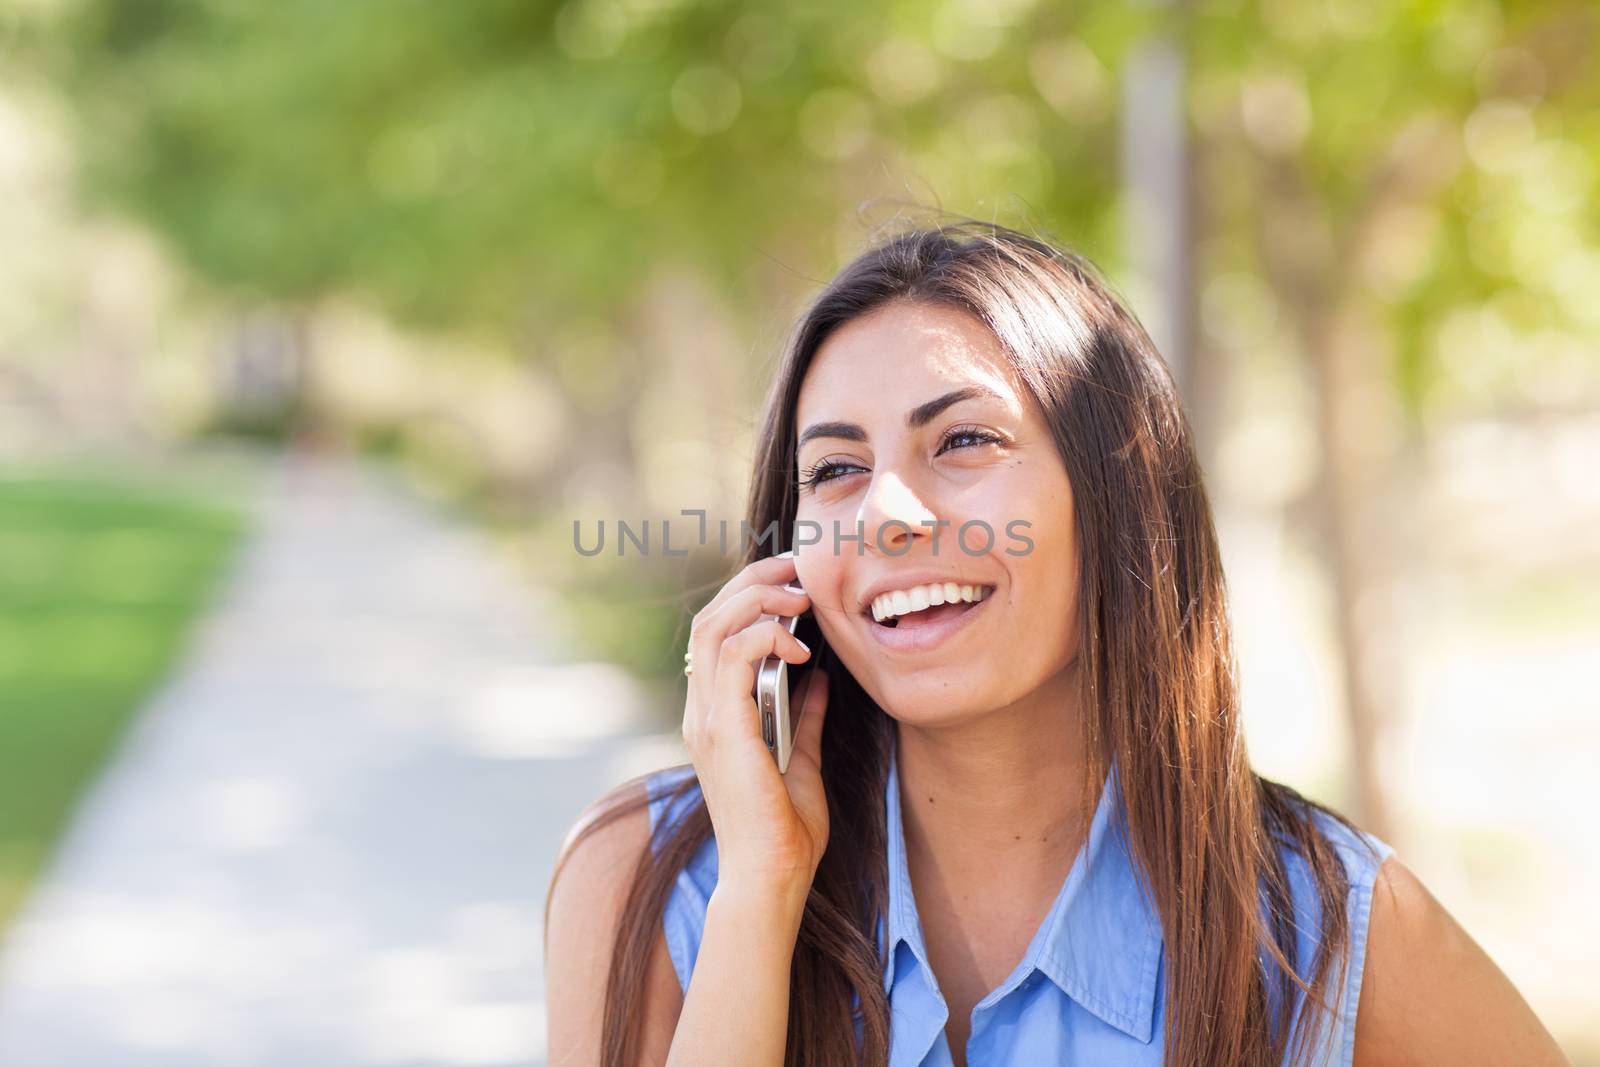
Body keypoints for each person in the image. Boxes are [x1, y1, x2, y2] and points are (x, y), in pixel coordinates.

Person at [543, 221, 1568, 1066]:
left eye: (962, 440)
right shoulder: (646, 876)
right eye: (836, 471)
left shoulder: (1331, 924)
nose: (886, 516)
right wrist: (759, 897)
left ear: (1116, 497)